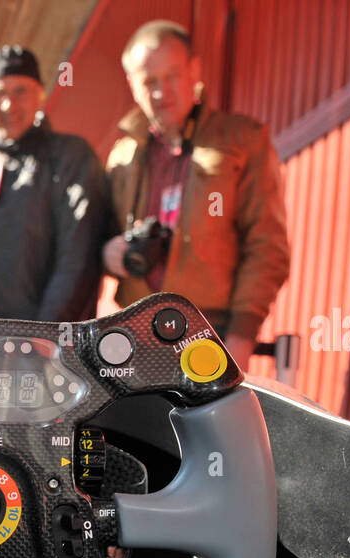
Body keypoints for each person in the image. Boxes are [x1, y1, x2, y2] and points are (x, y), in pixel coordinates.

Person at [103, 20, 289, 367]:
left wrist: (240, 339)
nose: (161, 92)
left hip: (211, 331)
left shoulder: (243, 140)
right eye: (149, 81)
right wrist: (107, 252)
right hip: (134, 332)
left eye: (172, 75)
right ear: (132, 85)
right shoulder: (120, 156)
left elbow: (267, 245)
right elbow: (95, 238)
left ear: (195, 70)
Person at [0, 45, 106, 321]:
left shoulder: (70, 157)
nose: (9, 105)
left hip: (38, 344)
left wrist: (47, 334)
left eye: (21, 91)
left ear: (40, 96)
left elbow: (79, 255)